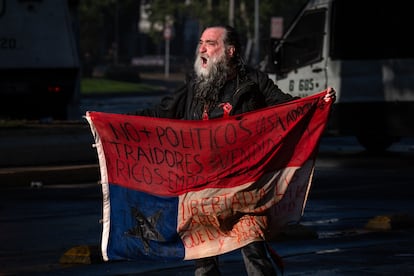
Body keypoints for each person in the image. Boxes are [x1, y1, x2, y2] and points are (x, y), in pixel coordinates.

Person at [131, 25, 336, 276]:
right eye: (200, 42)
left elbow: (287, 108)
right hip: (202, 192)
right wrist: (113, 123)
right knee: (204, 264)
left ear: (230, 51)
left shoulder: (254, 82)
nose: (202, 48)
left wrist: (317, 103)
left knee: (254, 255)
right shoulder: (193, 86)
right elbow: (160, 114)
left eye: (210, 43)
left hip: (244, 191)